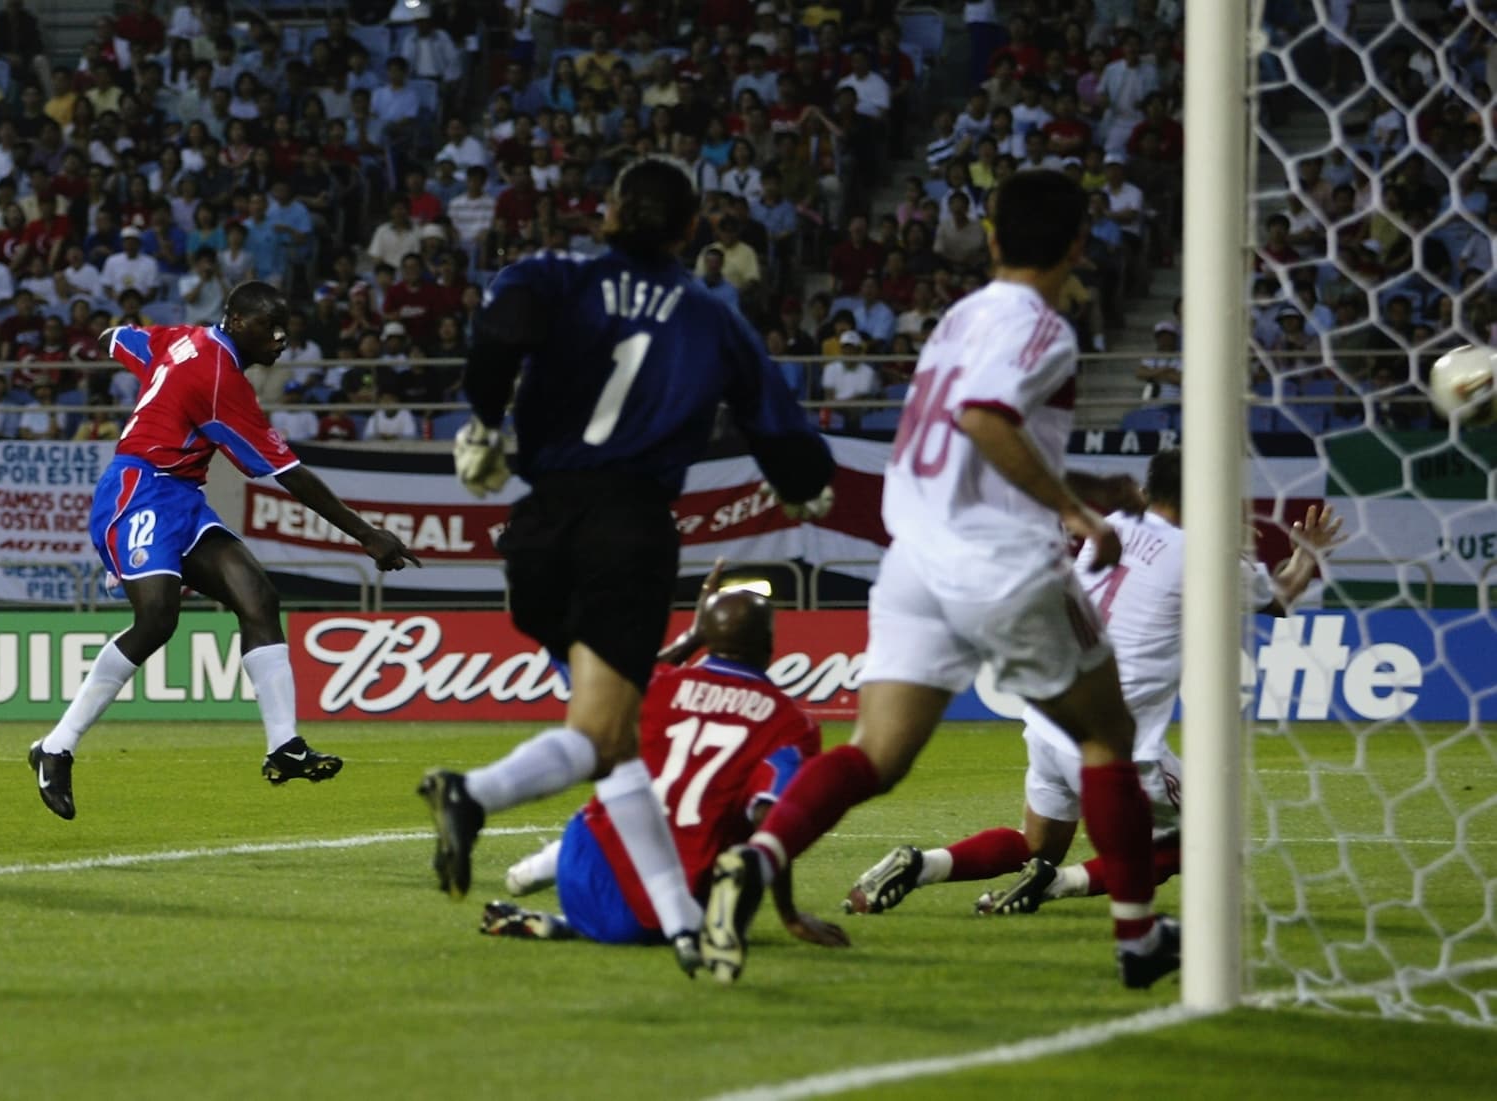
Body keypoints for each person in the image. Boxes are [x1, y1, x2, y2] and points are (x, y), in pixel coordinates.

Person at [701, 170, 1182, 990]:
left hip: (914, 557)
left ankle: (758, 857)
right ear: (1078, 246)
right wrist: (1074, 511)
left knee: (876, 753)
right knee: (1105, 736)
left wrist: (1084, 487)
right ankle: (1138, 937)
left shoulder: (960, 317)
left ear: (991, 239)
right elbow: (985, 418)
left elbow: (978, 431)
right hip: (997, 560)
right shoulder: (1045, 327)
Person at [421, 158, 836, 976]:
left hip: (537, 531)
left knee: (617, 747)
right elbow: (780, 434)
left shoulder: (555, 272)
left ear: (608, 213)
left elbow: (501, 328)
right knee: (603, 733)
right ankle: (474, 795)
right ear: (690, 232)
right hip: (628, 529)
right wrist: (803, 487)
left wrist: (485, 415)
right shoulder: (713, 317)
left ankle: (684, 930)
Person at [852, 452, 1344, 916]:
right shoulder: (1201, 554)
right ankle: (1059, 884)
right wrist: (1306, 554)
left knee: (1036, 846)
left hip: (1052, 722)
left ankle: (922, 864)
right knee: (1205, 840)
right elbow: (1276, 599)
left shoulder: (1113, 527)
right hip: (1118, 743)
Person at [27, 281, 421, 819]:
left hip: (182, 496)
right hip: (138, 489)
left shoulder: (183, 339)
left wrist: (111, 344)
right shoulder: (219, 379)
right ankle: (57, 746)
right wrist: (368, 535)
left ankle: (285, 746)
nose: (281, 338)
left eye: (286, 327)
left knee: (257, 597)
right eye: (270, 326)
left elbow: (119, 337)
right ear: (237, 321)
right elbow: (290, 476)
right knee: (159, 617)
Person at [483, 569, 845, 954]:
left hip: (584, 873)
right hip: (674, 909)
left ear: (708, 637)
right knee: (720, 847)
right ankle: (569, 920)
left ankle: (556, 899)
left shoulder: (654, 685)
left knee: (611, 799)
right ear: (770, 643)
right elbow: (768, 818)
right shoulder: (791, 725)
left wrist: (692, 637)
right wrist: (789, 914)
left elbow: (614, 674)